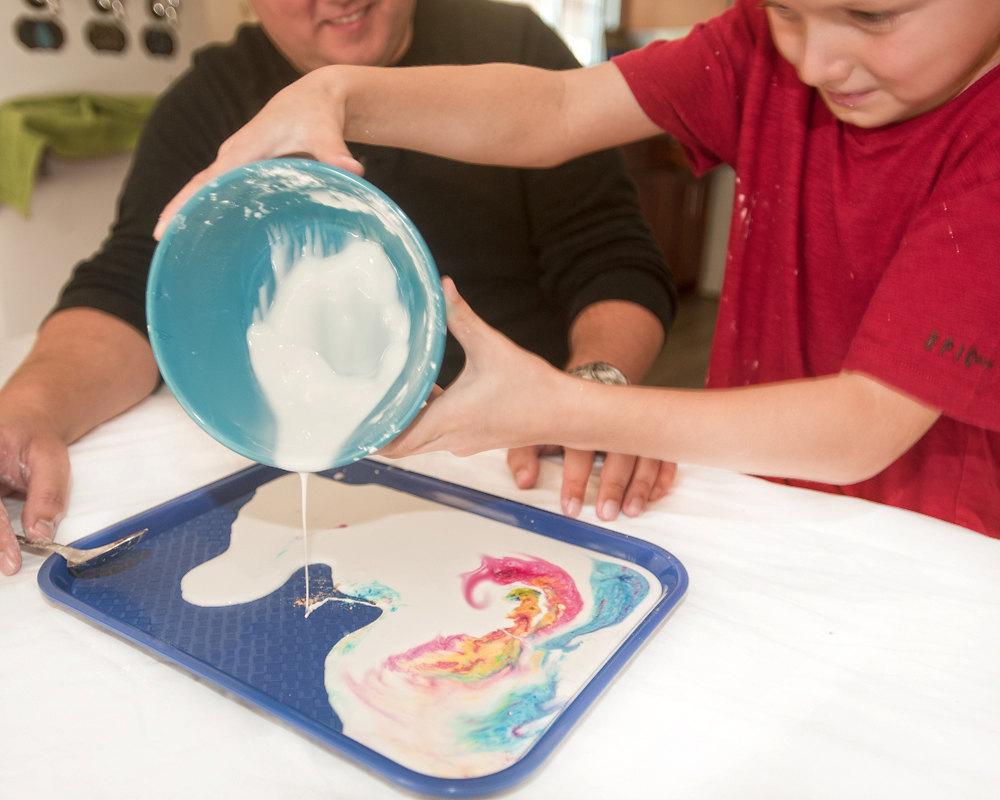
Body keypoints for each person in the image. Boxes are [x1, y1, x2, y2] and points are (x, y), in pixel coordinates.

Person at [158, 0, 1000, 535]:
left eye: (875, 13)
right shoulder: (759, 48)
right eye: (787, 9)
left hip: (935, 543)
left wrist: (575, 406)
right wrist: (340, 93)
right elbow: (554, 109)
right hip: (767, 498)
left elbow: (862, 429)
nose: (815, 63)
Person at [0, 0, 680, 576]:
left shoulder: (513, 48)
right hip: (324, 475)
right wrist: (31, 409)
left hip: (516, 460)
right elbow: (128, 287)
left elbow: (611, 253)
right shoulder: (210, 99)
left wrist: (593, 386)